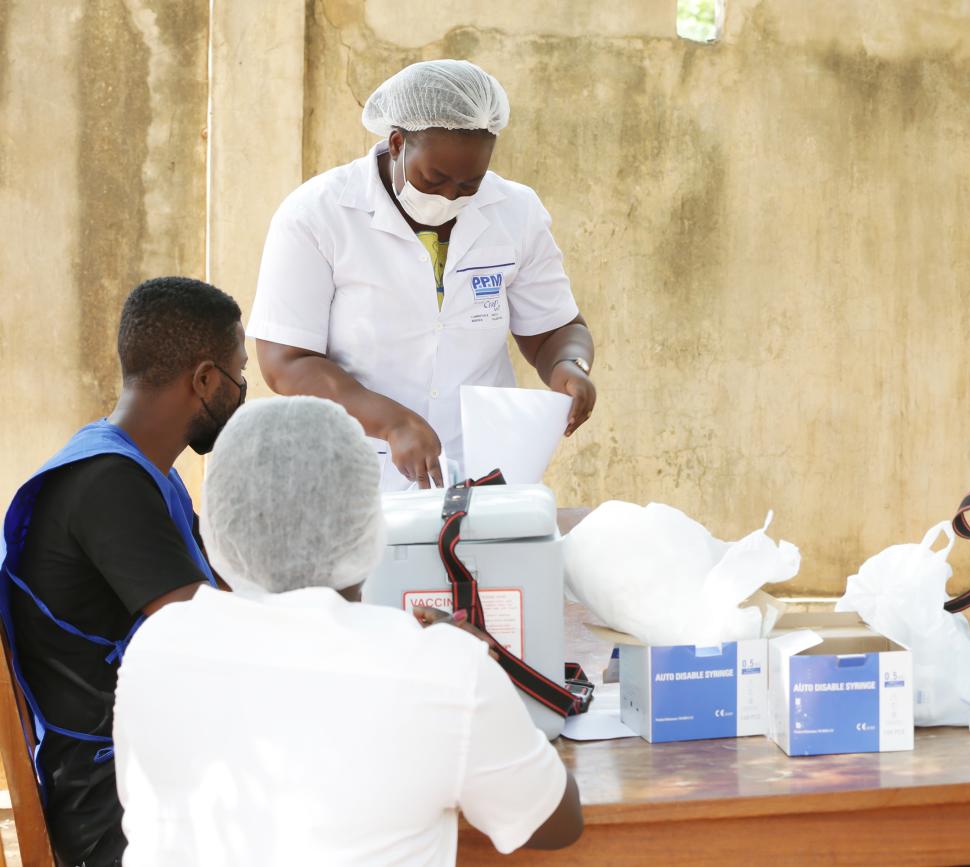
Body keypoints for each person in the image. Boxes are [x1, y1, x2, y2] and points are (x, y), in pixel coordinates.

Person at [113, 396, 584, 866]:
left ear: (219, 520)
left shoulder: (156, 646)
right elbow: (555, 823)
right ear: (368, 523)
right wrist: (480, 675)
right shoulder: (443, 670)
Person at [248, 59, 596, 491]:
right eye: (435, 178)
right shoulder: (317, 214)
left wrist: (569, 366)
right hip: (356, 478)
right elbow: (285, 362)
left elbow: (555, 329)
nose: (451, 196)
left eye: (470, 184)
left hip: (482, 474)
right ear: (397, 142)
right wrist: (392, 422)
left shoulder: (516, 212)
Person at [0, 276, 246, 866]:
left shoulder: (144, 474)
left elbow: (225, 608)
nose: (242, 394)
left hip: (155, 778)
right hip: (115, 814)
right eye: (241, 376)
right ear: (206, 379)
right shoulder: (107, 484)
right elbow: (209, 640)